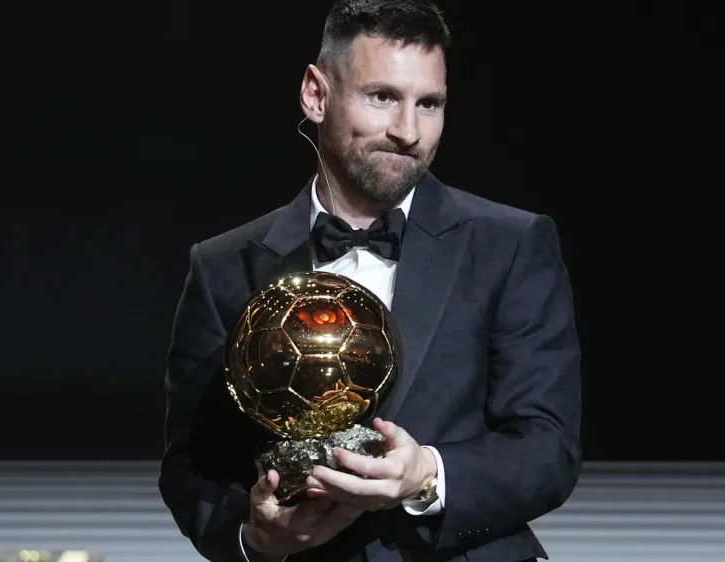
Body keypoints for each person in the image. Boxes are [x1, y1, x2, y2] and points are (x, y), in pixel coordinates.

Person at [157, 1, 582, 561]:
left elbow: (548, 447)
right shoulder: (221, 265)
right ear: (316, 94)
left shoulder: (511, 243)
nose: (408, 130)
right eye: (382, 97)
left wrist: (426, 476)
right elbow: (191, 465)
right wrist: (256, 535)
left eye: (429, 104)